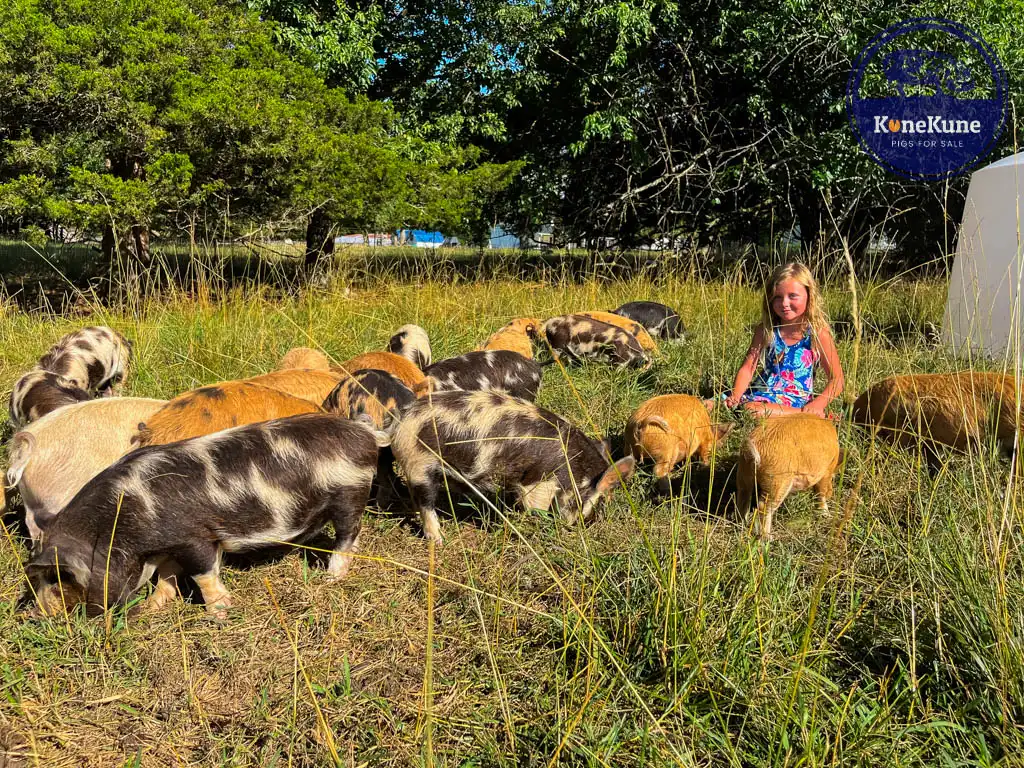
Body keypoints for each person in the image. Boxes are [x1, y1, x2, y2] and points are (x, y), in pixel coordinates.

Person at [707, 262, 844, 418]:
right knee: (707, 405)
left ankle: (807, 415)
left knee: (752, 411)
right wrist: (735, 396)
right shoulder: (766, 329)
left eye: (792, 296)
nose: (784, 303)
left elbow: (837, 379)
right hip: (757, 394)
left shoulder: (817, 334)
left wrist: (817, 405)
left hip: (791, 400)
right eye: (778, 297)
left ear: (809, 295)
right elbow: (748, 369)